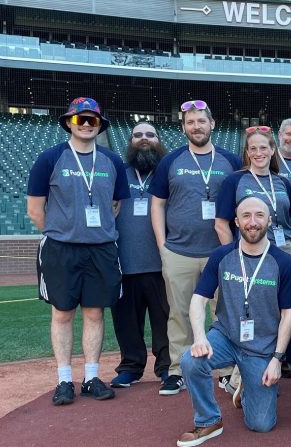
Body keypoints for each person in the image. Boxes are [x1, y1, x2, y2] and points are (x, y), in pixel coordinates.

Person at [26, 97, 129, 405]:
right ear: (68, 123)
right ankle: (63, 380)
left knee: (96, 313)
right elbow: (35, 209)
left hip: (100, 248)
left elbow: (115, 205)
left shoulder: (112, 160)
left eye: (92, 120)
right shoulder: (50, 158)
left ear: (100, 125)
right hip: (62, 248)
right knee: (62, 313)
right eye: (79, 119)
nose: (86, 124)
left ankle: (92, 377)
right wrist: (62, 233)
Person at [176, 196, 291, 446]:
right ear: (236, 221)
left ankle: (246, 384)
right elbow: (199, 299)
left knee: (261, 425)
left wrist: (277, 359)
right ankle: (208, 420)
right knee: (191, 359)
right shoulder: (222, 256)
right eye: (246, 216)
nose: (252, 222)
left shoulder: (284, 263)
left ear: (269, 220)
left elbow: (289, 315)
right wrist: (200, 338)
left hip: (262, 347)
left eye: (259, 215)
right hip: (226, 336)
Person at [150, 100, 243, 396]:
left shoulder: (229, 159)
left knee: (224, 313)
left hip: (219, 253)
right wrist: (162, 245)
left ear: (212, 124)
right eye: (190, 122)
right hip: (179, 251)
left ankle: (226, 371)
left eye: (201, 121)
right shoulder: (172, 160)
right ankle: (177, 369)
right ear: (183, 127)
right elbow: (158, 203)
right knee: (178, 312)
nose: (196, 127)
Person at [216, 127, 291, 379]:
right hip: (248, 250)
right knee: (252, 306)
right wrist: (231, 252)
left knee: (284, 307)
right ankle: (240, 367)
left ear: (273, 150)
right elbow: (222, 223)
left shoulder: (282, 182)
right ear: (247, 152)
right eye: (252, 148)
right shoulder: (235, 180)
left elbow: (289, 221)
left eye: (264, 147)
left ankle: (279, 358)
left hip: (283, 250)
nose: (258, 153)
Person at [110, 122, 170, 388]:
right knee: (126, 322)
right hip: (124, 263)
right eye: (138, 135)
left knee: (167, 319)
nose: (144, 139)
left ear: (158, 140)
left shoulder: (168, 173)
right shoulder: (118, 174)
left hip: (162, 263)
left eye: (150, 135)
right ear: (130, 141)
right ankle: (131, 366)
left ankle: (168, 366)